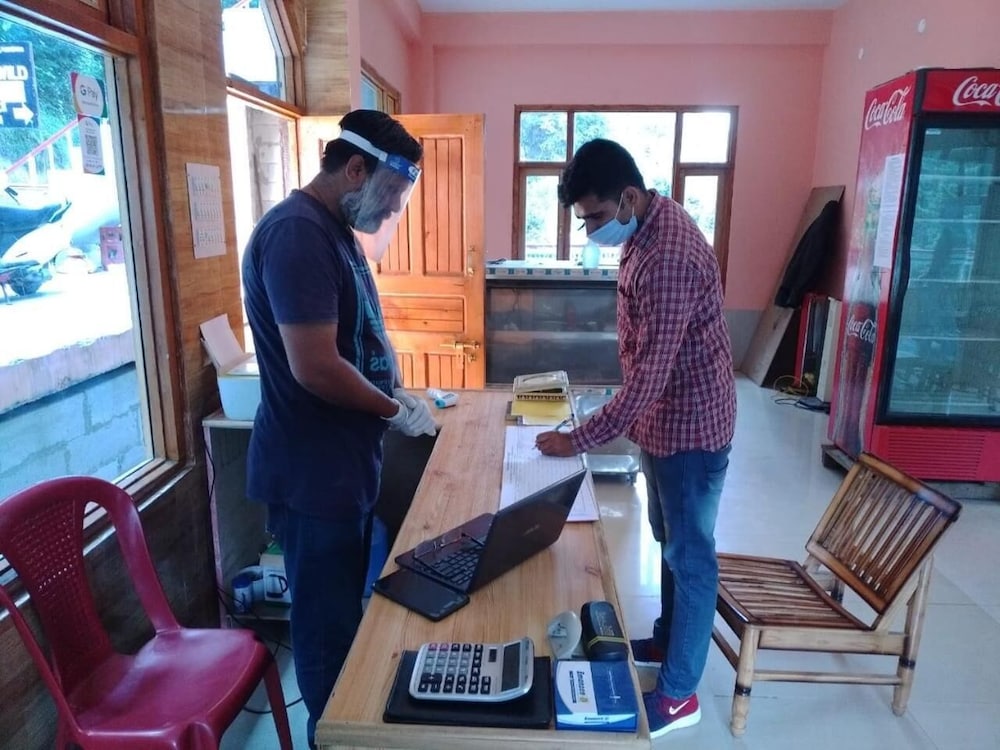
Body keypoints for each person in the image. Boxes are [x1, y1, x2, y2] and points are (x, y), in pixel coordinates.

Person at [241, 109, 437, 748]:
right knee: (325, 635)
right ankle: (331, 739)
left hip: (344, 469)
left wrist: (395, 390)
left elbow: (358, 338)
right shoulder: (297, 235)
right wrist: (390, 409)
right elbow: (317, 367)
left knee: (343, 619)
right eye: (391, 194)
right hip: (313, 475)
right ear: (355, 169)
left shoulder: (334, 232)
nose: (393, 211)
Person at [536, 138, 736, 738]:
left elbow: (649, 379)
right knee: (668, 539)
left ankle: (679, 694)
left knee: (690, 557)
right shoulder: (648, 224)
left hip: (691, 431)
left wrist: (579, 438)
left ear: (628, 196)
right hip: (665, 425)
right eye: (583, 219)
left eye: (596, 215)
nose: (591, 229)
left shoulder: (667, 255)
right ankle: (670, 641)